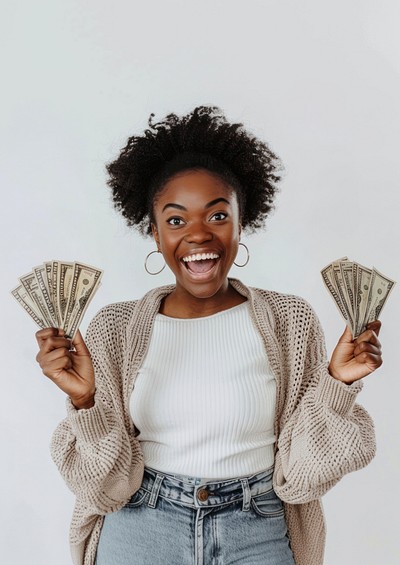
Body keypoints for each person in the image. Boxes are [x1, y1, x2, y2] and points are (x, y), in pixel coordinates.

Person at [35, 106, 382, 565]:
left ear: (242, 223)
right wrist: (85, 403)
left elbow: (300, 478)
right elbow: (105, 488)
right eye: (176, 220)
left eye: (217, 215)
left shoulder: (289, 321)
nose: (198, 235)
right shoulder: (113, 328)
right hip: (142, 526)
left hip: (256, 527)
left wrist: (337, 384)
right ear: (154, 233)